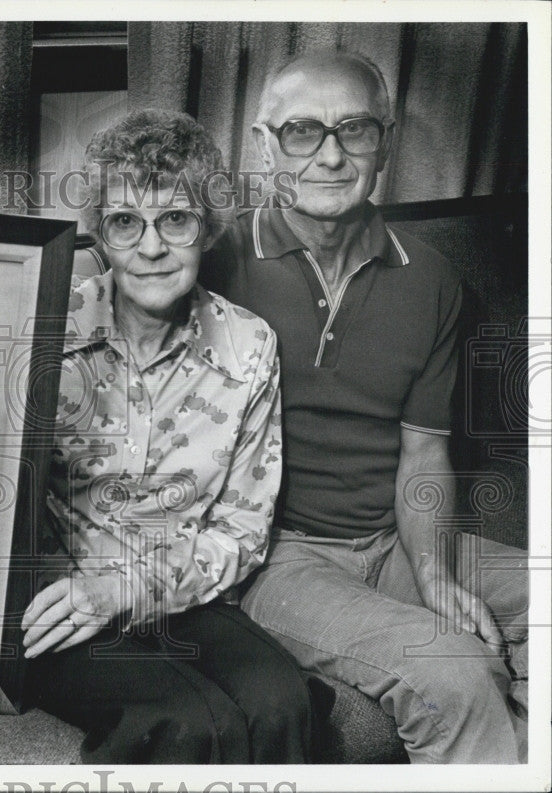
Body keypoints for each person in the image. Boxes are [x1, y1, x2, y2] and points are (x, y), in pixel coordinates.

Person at [202, 50, 528, 763]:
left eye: (354, 129)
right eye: (302, 132)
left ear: (386, 141)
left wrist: (435, 571)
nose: (330, 154)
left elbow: (424, 450)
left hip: (393, 542)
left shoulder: (432, 277)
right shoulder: (213, 261)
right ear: (264, 145)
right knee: (453, 671)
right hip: (275, 561)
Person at [20, 108, 313, 763]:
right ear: (100, 233)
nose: (151, 248)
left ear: (206, 229)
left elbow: (241, 531)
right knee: (186, 721)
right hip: (65, 602)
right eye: (127, 222)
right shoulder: (42, 331)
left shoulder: (248, 346)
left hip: (181, 593)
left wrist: (134, 585)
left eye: (175, 219)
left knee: (281, 702)